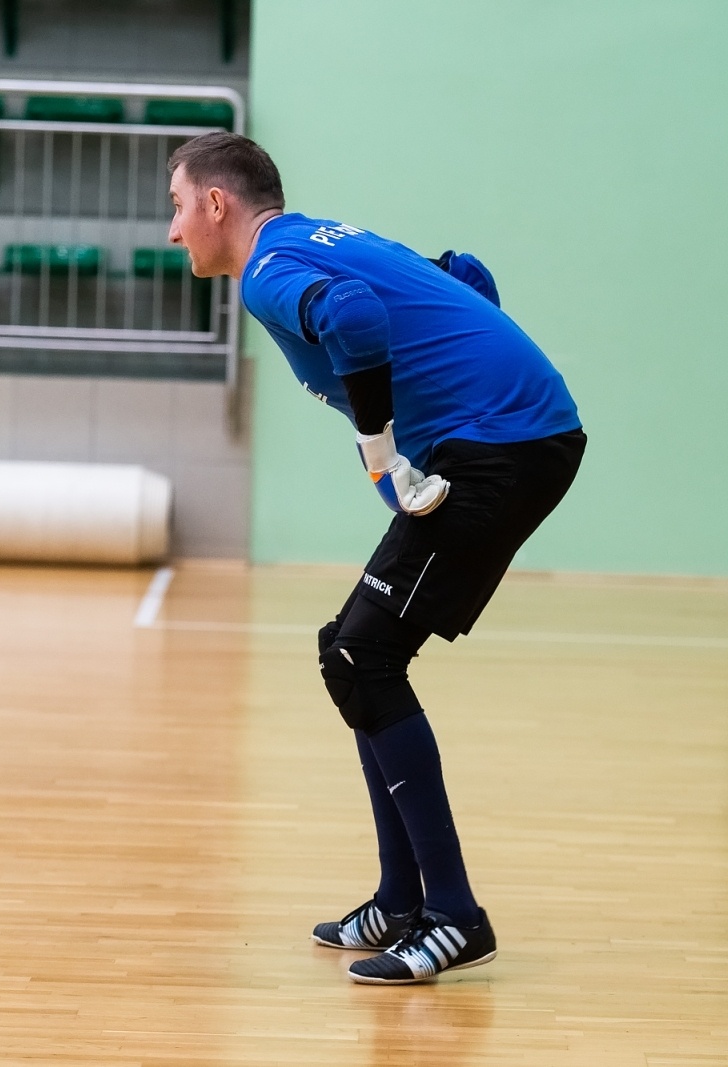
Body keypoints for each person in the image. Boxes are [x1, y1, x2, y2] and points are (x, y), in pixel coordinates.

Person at [166, 131, 584, 985]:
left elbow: (356, 317)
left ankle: (455, 916)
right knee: (354, 654)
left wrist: (381, 453)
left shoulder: (268, 270)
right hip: (516, 434)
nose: (173, 230)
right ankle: (401, 900)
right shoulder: (321, 235)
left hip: (504, 448)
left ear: (216, 203)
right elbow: (465, 276)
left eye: (177, 206)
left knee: (362, 654)